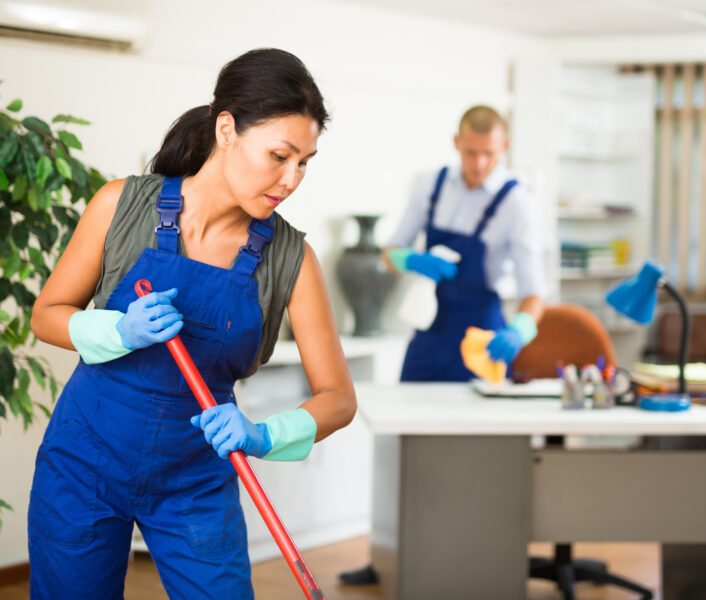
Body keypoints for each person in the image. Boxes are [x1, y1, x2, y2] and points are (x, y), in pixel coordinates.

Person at [29, 48, 356, 599]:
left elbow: (338, 398)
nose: (292, 178)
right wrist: (117, 332)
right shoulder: (120, 206)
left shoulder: (291, 260)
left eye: (305, 162)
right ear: (226, 129)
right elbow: (46, 316)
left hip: (196, 481)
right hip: (82, 465)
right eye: (279, 155)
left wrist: (263, 434)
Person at [339, 105, 545, 585]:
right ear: (457, 143)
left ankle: (478, 562)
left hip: (483, 335)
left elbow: (537, 294)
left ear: (504, 148)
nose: (479, 165)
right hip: (431, 331)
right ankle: (388, 559)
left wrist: (519, 333)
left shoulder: (518, 203)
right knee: (404, 447)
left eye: (489, 155)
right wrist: (411, 258)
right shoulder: (431, 186)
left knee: (481, 457)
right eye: (471, 153)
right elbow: (389, 254)